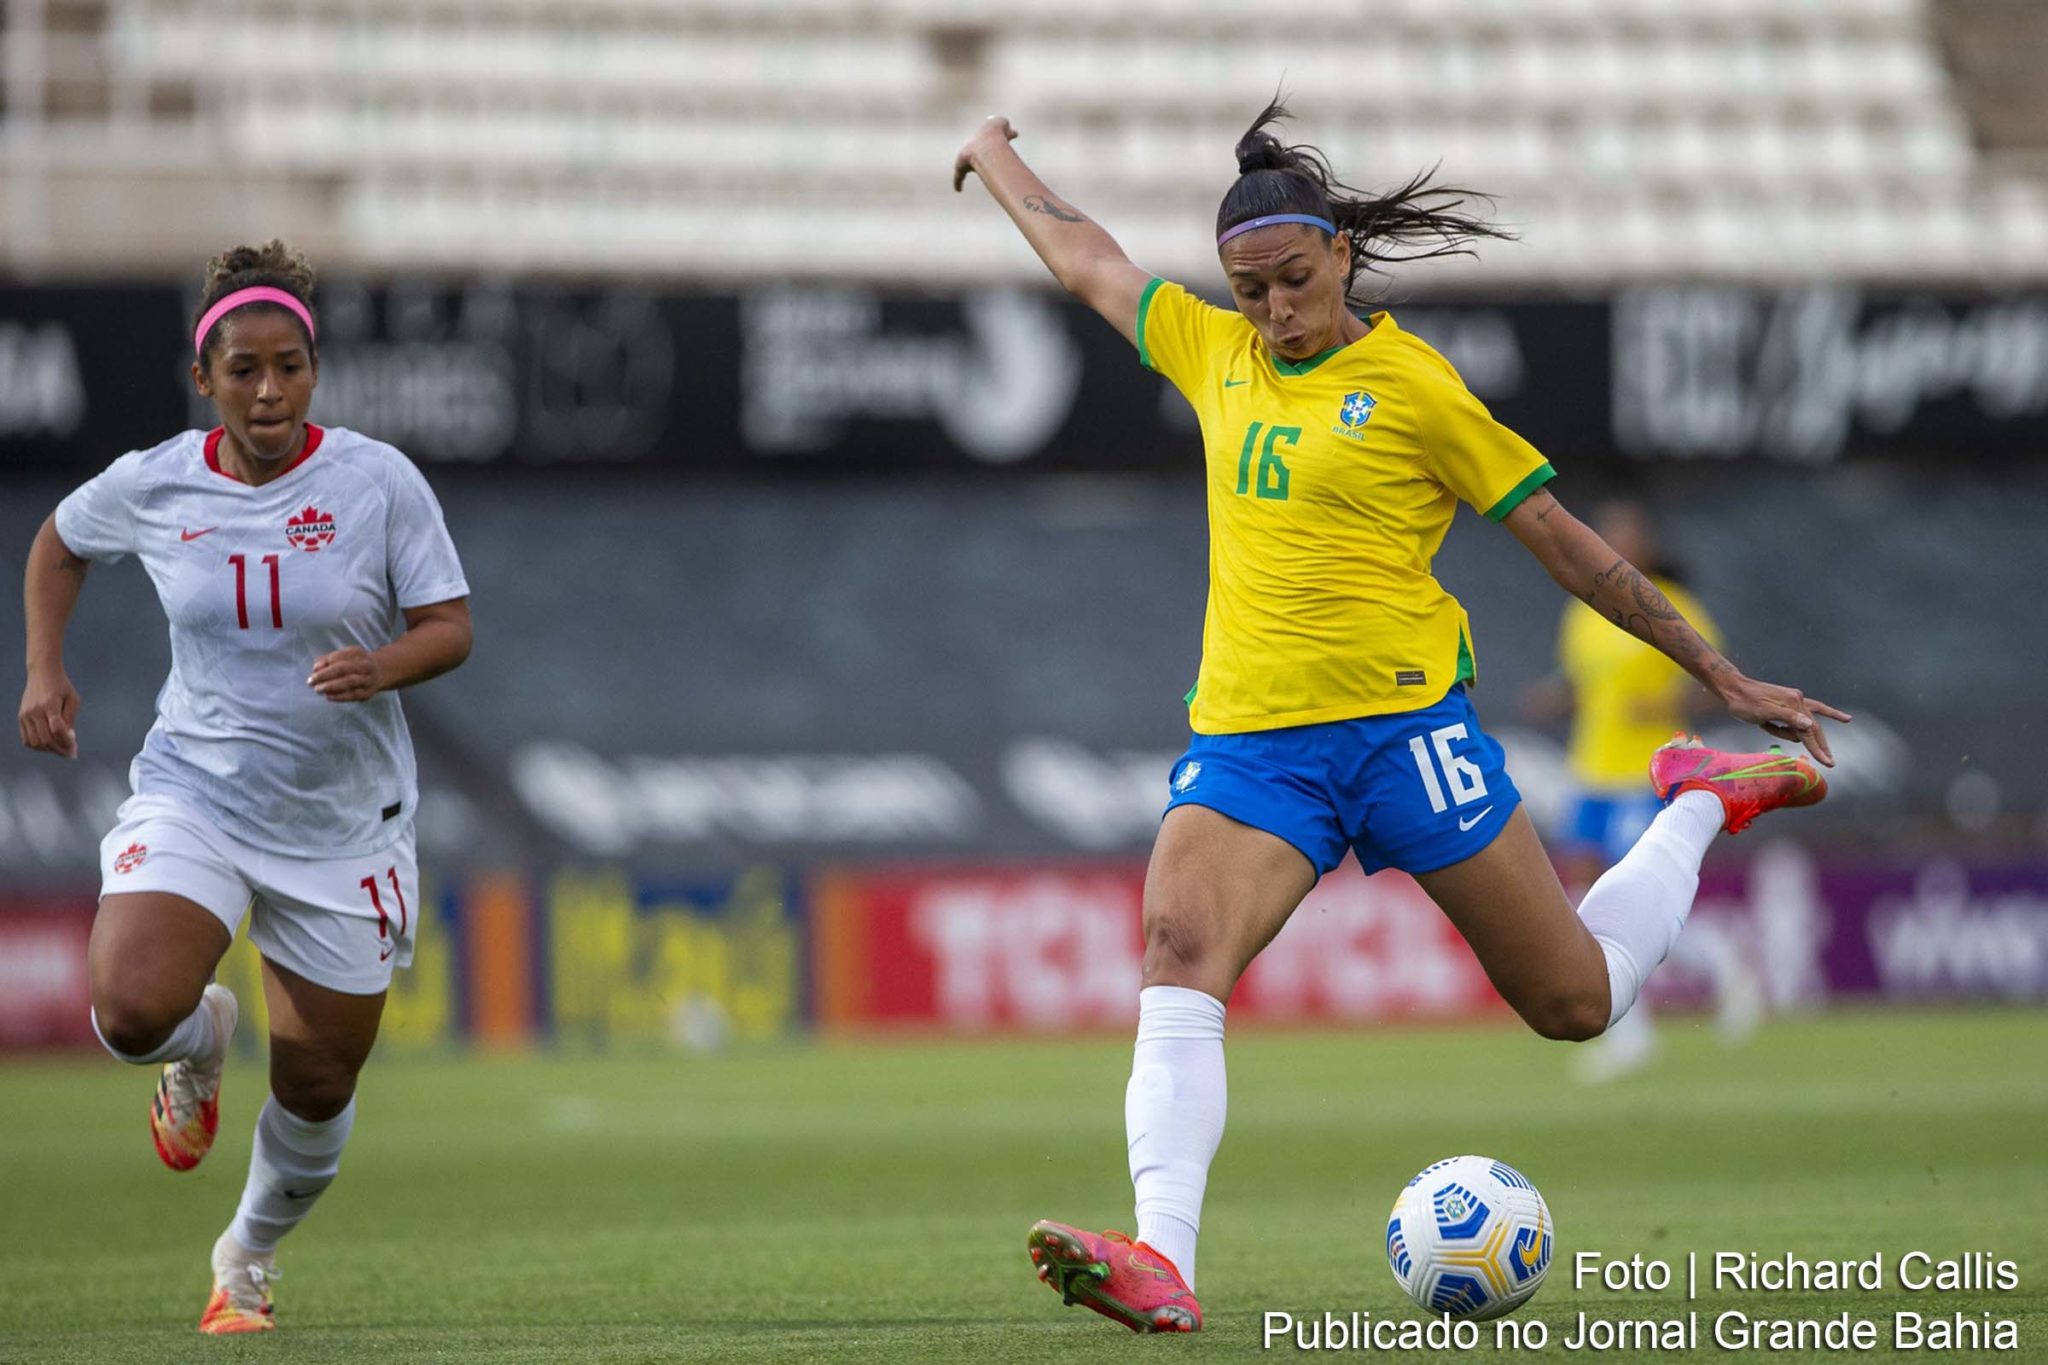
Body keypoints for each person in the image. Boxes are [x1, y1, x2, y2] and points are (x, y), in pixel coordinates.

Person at [954, 102, 1850, 1334]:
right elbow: (1087, 260)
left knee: (1574, 1002)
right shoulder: (1211, 351)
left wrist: (1724, 675)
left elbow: (1564, 546)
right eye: (1247, 288)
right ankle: (1161, 1257)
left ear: (1340, 258)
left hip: (1402, 738)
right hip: (1252, 745)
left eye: (1292, 279)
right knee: (1176, 946)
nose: (1272, 310)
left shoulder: (1416, 388)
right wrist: (993, 153)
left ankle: (1701, 797)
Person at [16, 241, 473, 1335]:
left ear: (312, 369)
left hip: (342, 822)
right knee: (131, 1011)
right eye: (244, 371)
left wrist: (382, 666)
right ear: (203, 379)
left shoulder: (375, 482)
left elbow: (450, 628)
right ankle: (200, 1042)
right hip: (199, 792)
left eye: (290, 368)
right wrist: (44, 668)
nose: (270, 391)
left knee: (318, 1085)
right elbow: (59, 543)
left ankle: (248, 1255)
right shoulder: (156, 482)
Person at [1525, 500, 1761, 1081]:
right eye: (1608, 532)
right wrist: (1555, 700)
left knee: (1633, 894)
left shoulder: (1671, 604)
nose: (1615, 540)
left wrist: (1661, 704)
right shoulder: (1583, 609)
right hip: (1590, 770)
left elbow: (1718, 678)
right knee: (1582, 903)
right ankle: (1632, 1033)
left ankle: (1722, 962)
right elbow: (1585, 685)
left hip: (1649, 771)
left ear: (1649, 544)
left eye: (1628, 531)